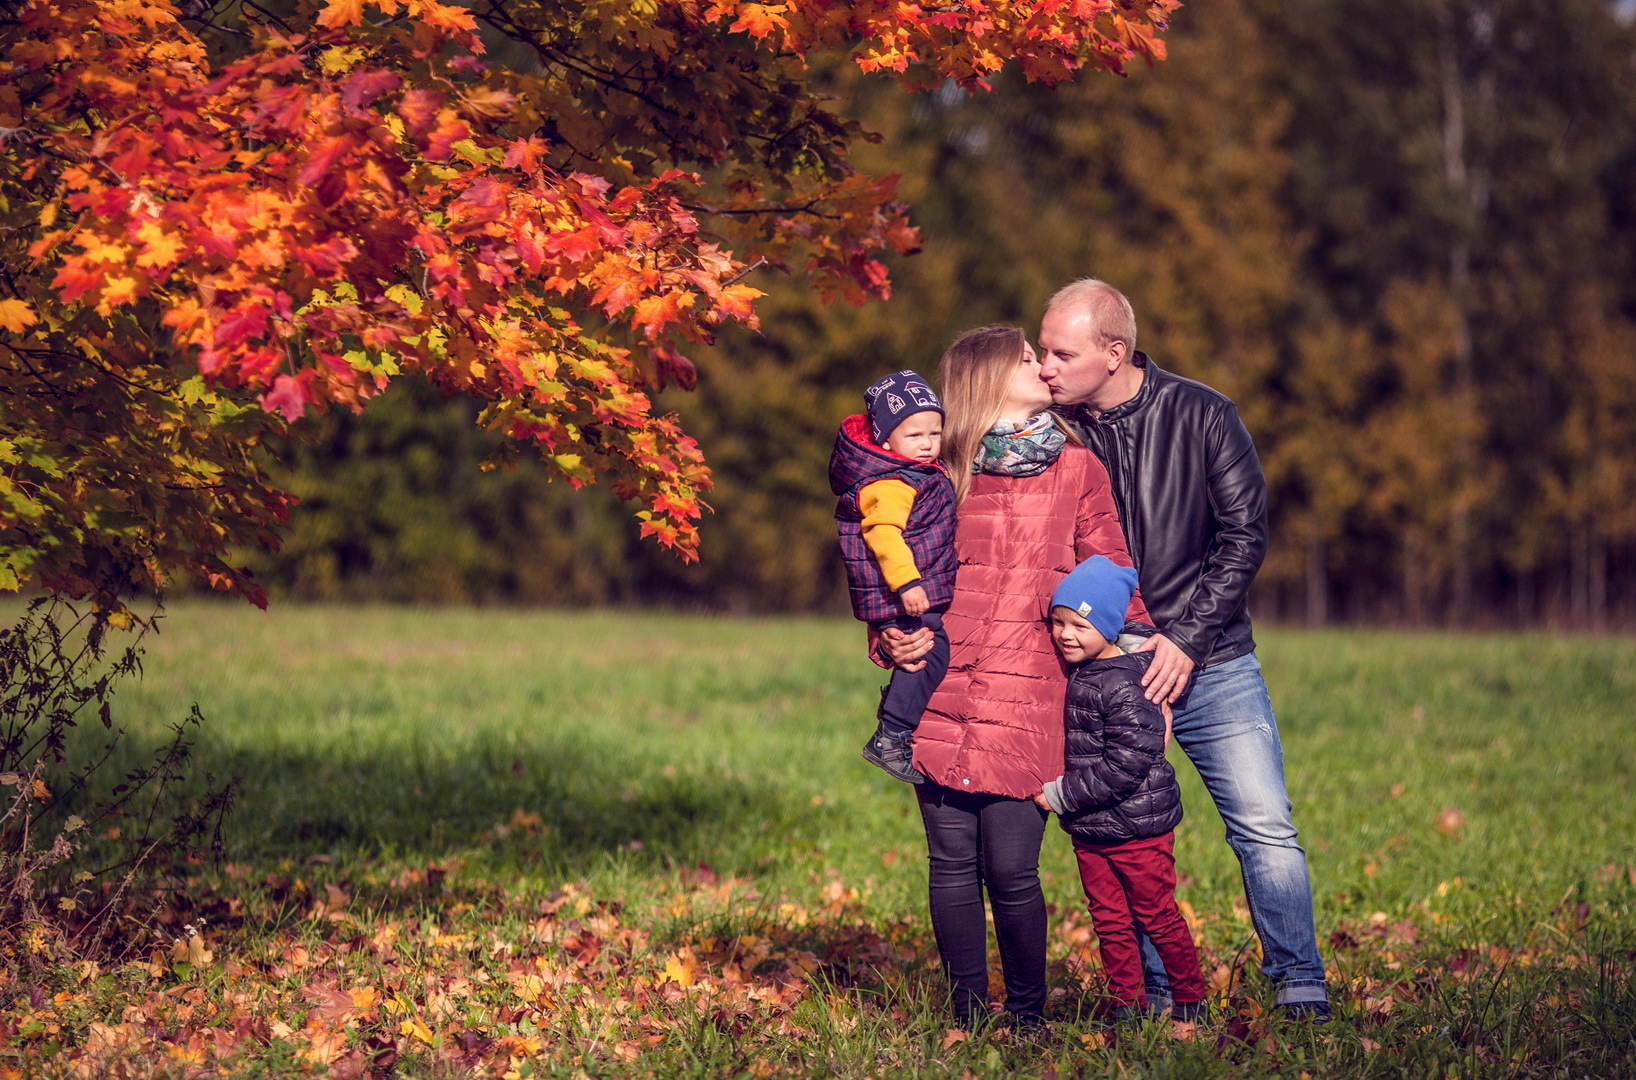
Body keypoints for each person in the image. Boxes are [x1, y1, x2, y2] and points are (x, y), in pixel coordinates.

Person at [1037, 277, 1330, 1019]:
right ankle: (1149, 999)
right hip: (1099, 671)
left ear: (1114, 352)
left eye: (1060, 353)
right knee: (1116, 834)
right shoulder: (1054, 431)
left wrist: (1186, 642)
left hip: (1212, 663)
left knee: (1264, 826)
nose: (1044, 367)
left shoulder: (1203, 413)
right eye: (1042, 351)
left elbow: (1244, 534)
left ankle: (1299, 984)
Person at [876, 325, 1150, 1031]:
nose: (1043, 369)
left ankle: (1028, 1017)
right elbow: (890, 567)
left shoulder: (1077, 468)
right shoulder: (944, 469)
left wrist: (1141, 654)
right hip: (941, 689)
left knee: (1012, 869)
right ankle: (966, 1016)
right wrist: (889, 635)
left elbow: (1112, 566)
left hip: (1029, 693)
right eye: (1028, 359)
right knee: (950, 866)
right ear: (989, 377)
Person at [1034, 555, 1208, 1027]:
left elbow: (1125, 766)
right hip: (1093, 832)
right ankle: (1127, 1006)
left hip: (1139, 827)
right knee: (1109, 920)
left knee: (1157, 916)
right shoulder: (1084, 672)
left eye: (1081, 625)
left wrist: (1062, 795)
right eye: (1059, 622)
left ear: (1110, 629)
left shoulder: (1126, 686)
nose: (1066, 634)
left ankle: (1191, 997)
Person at [830, 370, 956, 783]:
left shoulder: (915, 472)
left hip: (907, 590)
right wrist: (907, 583)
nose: (926, 443)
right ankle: (891, 734)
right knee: (927, 653)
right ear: (886, 441)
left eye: (933, 433)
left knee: (925, 654)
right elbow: (881, 533)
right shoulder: (892, 482)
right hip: (904, 592)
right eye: (914, 435)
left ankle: (894, 719)